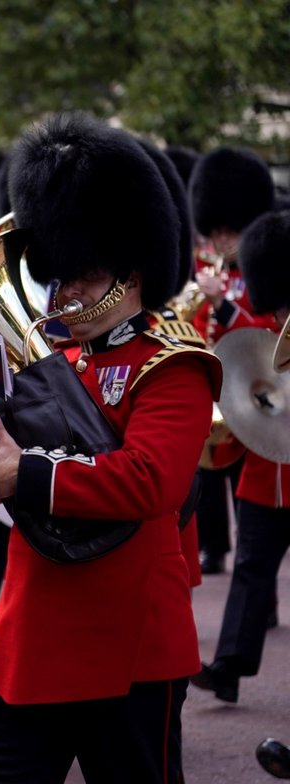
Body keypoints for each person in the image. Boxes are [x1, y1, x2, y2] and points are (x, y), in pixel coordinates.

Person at [0, 113, 220, 784]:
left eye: (78, 271)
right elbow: (14, 470)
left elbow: (151, 482)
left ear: (130, 272)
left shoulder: (173, 365)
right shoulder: (54, 358)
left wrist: (31, 474)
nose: (62, 287)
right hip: (28, 635)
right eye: (57, 271)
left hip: (125, 643)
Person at [190, 208, 290, 704]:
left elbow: (254, 332)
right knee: (251, 565)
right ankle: (229, 666)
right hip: (266, 462)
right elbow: (253, 347)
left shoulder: (255, 298)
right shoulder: (264, 303)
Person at [186, 147, 275, 575]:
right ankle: (215, 546)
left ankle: (249, 556)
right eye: (217, 232)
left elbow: (262, 331)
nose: (223, 240)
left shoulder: (259, 274)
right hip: (216, 390)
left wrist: (222, 304)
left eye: (231, 232)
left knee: (248, 486)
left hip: (254, 393)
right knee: (206, 472)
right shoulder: (209, 273)